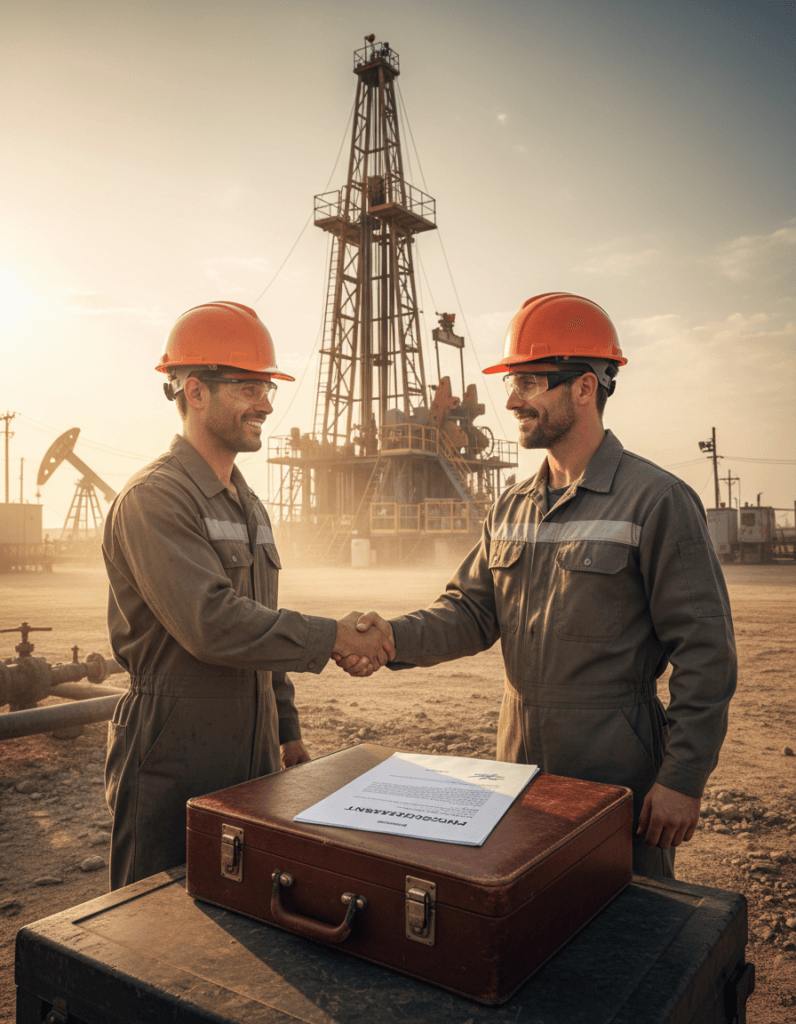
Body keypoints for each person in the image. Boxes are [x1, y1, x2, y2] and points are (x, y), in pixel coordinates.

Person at [347, 292, 737, 877]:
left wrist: (682, 779)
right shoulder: (513, 505)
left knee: (621, 929)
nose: (510, 400)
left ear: (584, 387)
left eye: (529, 383)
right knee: (529, 919)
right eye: (514, 383)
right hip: (518, 766)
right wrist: (391, 638)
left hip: (616, 769)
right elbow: (471, 612)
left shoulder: (657, 501)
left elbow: (705, 653)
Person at [103, 301, 393, 890]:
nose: (265, 403)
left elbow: (261, 628)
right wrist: (331, 635)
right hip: (170, 749)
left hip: (254, 749)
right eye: (247, 387)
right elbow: (213, 622)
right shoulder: (156, 499)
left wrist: (287, 732)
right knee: (153, 919)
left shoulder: (249, 504)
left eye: (267, 387)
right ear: (195, 392)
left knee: (240, 906)